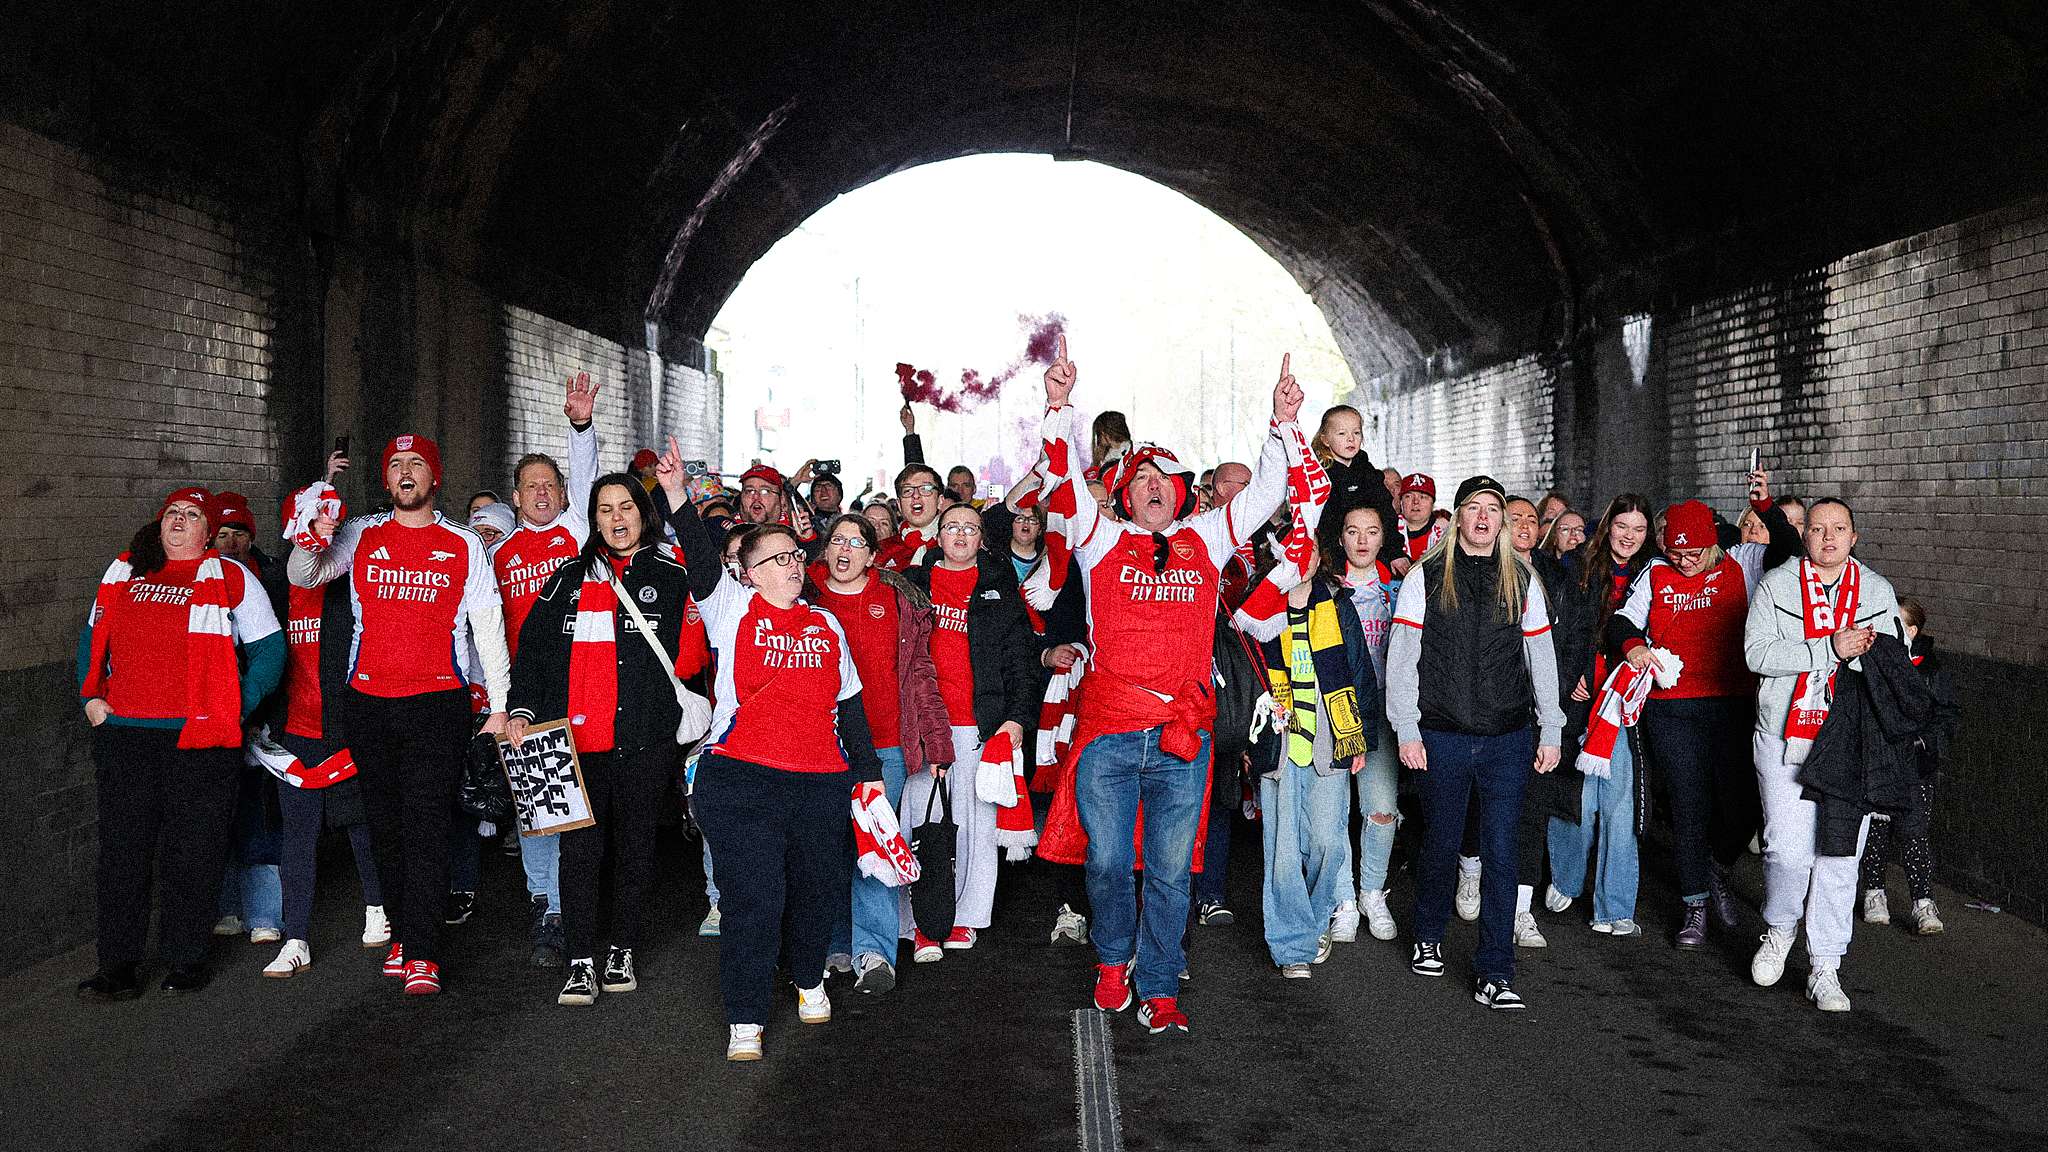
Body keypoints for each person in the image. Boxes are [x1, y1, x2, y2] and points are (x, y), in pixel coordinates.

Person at [1026, 339, 1306, 1036]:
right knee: (1107, 862)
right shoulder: (1098, 539)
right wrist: (1058, 407)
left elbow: (1267, 494)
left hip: (1184, 735)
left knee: (1172, 872)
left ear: (1181, 490)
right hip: (1110, 735)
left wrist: (1281, 423)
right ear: (1124, 492)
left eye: (1164, 479)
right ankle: (1112, 958)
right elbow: (1063, 481)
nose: (1153, 486)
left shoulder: (1206, 538)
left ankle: (1158, 984)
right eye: (1141, 478)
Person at [659, 441, 885, 1062]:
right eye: (778, 558)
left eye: (795, 555)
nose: (792, 564)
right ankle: (746, 1016)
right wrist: (677, 494)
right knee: (755, 900)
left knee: (815, 893)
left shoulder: (826, 624)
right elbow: (698, 555)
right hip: (743, 779)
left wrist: (868, 776)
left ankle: (808, 975)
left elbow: (850, 707)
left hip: (820, 781)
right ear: (749, 572)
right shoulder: (730, 608)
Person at [288, 434, 512, 996]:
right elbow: (303, 575)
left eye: (416, 464)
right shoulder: (360, 533)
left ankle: (424, 951)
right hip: (368, 701)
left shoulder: (463, 542)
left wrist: (499, 706)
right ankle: (403, 934)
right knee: (384, 825)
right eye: (395, 464)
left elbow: (488, 626)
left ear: (434, 478)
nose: (405, 471)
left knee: (428, 825)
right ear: (386, 480)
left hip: (438, 703)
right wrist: (313, 533)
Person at [76, 488, 285, 999]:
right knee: (122, 854)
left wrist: (234, 706)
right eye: (173, 512)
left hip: (200, 738)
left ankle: (186, 959)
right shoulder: (126, 571)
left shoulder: (233, 577)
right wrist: (91, 698)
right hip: (126, 735)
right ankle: (117, 968)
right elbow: (91, 639)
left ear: (208, 532)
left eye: (192, 515)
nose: (179, 520)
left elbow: (271, 650)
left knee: (192, 852)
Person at [509, 472, 708, 1007]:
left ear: (644, 513)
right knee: (579, 852)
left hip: (645, 740)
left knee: (635, 848)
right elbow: (534, 652)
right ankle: (580, 960)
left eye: (626, 507)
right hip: (572, 745)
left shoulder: (673, 575)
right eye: (605, 509)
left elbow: (693, 658)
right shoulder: (566, 578)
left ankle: (621, 948)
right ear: (593, 519)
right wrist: (522, 710)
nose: (617, 518)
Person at [1385, 475, 1564, 1010]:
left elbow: (1542, 659)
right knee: (1441, 843)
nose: (1483, 518)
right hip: (1442, 734)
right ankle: (1428, 936)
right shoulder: (1425, 576)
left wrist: (1551, 728)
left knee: (1502, 853)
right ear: (1458, 516)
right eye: (1473, 508)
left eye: (1492, 509)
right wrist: (1407, 728)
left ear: (1502, 520)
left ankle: (1495, 970)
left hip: (1507, 738)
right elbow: (1402, 658)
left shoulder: (1523, 579)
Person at [1612, 475, 1800, 948]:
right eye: (1677, 553)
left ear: (1711, 542)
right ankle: (1694, 903)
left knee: (1743, 807)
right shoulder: (1655, 572)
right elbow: (1621, 622)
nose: (1685, 561)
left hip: (1732, 703)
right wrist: (1635, 646)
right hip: (1672, 709)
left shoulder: (1743, 561)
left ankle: (1717, 866)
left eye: (1693, 552)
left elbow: (1790, 548)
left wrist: (1766, 506)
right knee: (1688, 804)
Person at [1744, 497, 1906, 1013]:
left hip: (1852, 741)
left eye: (1839, 529)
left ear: (1854, 537)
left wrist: (1861, 657)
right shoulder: (1777, 585)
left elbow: (1895, 665)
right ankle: (1780, 929)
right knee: (1787, 851)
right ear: (1805, 537)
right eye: (1817, 529)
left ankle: (1826, 965)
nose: (1828, 538)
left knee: (1838, 857)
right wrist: (1829, 649)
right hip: (1785, 734)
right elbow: (1756, 654)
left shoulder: (1876, 591)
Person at [1236, 499, 1378, 978]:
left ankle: (1316, 920)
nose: (1304, 556)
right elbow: (1245, 679)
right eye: (1294, 547)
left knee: (1327, 844)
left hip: (1329, 740)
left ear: (1319, 555)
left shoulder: (1336, 602)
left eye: (1310, 549)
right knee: (1282, 849)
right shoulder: (1258, 608)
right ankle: (1292, 944)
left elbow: (1359, 672)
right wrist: (1247, 742)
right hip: (1278, 743)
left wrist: (1359, 739)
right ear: (1279, 554)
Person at [809, 513, 951, 993]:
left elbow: (920, 672)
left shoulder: (896, 598)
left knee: (876, 847)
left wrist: (937, 741)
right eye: (838, 540)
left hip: (886, 743)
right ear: (825, 549)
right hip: (821, 746)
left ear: (873, 555)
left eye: (857, 542)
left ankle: (874, 953)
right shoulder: (805, 597)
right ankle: (833, 943)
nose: (845, 549)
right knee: (825, 848)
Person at [491, 374, 601, 967]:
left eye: (549, 485)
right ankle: (547, 904)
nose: (540, 493)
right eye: (530, 486)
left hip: (581, 684)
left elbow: (588, 476)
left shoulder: (577, 534)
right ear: (515, 497)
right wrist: (494, 699)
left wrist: (580, 427)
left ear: (562, 494)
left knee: (580, 803)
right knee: (536, 805)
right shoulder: (496, 554)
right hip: (526, 693)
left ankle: (573, 900)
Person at [262, 477, 388, 978]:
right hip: (295, 731)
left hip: (346, 725)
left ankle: (378, 906)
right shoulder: (274, 586)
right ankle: (295, 937)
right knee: (298, 836)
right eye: (310, 524)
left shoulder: (347, 579)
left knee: (361, 824)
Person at [901, 502, 1040, 952]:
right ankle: (920, 918)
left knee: (977, 827)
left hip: (979, 726)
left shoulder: (999, 586)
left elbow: (1021, 661)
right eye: (952, 527)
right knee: (921, 822)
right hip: (925, 724)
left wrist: (1017, 718)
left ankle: (966, 915)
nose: (960, 535)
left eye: (971, 528)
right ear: (938, 535)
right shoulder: (914, 583)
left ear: (982, 539)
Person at [1544, 494, 1653, 936]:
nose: (1629, 536)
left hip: (1626, 700)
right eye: (1622, 526)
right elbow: (1562, 630)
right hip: (1582, 694)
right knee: (1578, 794)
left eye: (1639, 529)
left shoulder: (1653, 572)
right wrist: (1572, 674)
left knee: (1619, 801)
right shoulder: (1579, 566)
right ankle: (1566, 877)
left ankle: (1615, 906)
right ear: (1608, 527)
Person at [1505, 496, 1593, 949]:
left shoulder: (1556, 576)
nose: (1524, 525)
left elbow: (1577, 636)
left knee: (1532, 807)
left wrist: (1556, 693)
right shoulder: (1478, 571)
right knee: (1485, 804)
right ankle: (1473, 872)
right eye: (1514, 518)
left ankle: (1521, 908)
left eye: (1531, 519)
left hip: (1540, 711)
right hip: (1489, 712)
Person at [1859, 597, 1957, 935]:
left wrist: (1923, 743)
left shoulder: (1931, 670)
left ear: (1912, 631)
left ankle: (1923, 902)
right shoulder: (1876, 661)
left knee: (1915, 834)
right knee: (1876, 832)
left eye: (1896, 623)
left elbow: (1946, 714)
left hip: (1916, 767)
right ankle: (1874, 894)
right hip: (1881, 763)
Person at [1329, 504, 1401, 941]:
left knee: (1381, 809)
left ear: (1382, 538)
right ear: (1340, 537)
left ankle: (1372, 892)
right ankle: (1342, 899)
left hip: (1382, 713)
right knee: (1332, 812)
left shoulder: (1398, 590)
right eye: (1353, 531)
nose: (1361, 541)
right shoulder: (1326, 589)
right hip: (1334, 711)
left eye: (1371, 532)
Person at [1311, 404, 1404, 570]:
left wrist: (1395, 552)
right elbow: (1323, 527)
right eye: (1342, 433)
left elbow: (1387, 514)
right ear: (1325, 440)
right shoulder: (1319, 478)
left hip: (1372, 556)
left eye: (1356, 433)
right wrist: (1334, 565)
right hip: (1333, 560)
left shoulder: (1369, 473)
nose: (1351, 439)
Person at [1396, 474, 1450, 563]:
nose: (1416, 502)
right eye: (1408, 496)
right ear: (1401, 502)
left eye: (1423, 497)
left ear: (1432, 504)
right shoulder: (1387, 531)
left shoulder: (1446, 535)